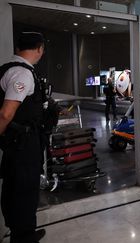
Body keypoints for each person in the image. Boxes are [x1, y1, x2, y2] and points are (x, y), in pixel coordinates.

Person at [0, 32, 47, 242]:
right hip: (22, 144)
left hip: (17, 142)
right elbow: (5, 113)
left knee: (17, 188)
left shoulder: (9, 68)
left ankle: (24, 231)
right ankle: (23, 237)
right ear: (39, 48)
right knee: (23, 189)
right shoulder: (22, 74)